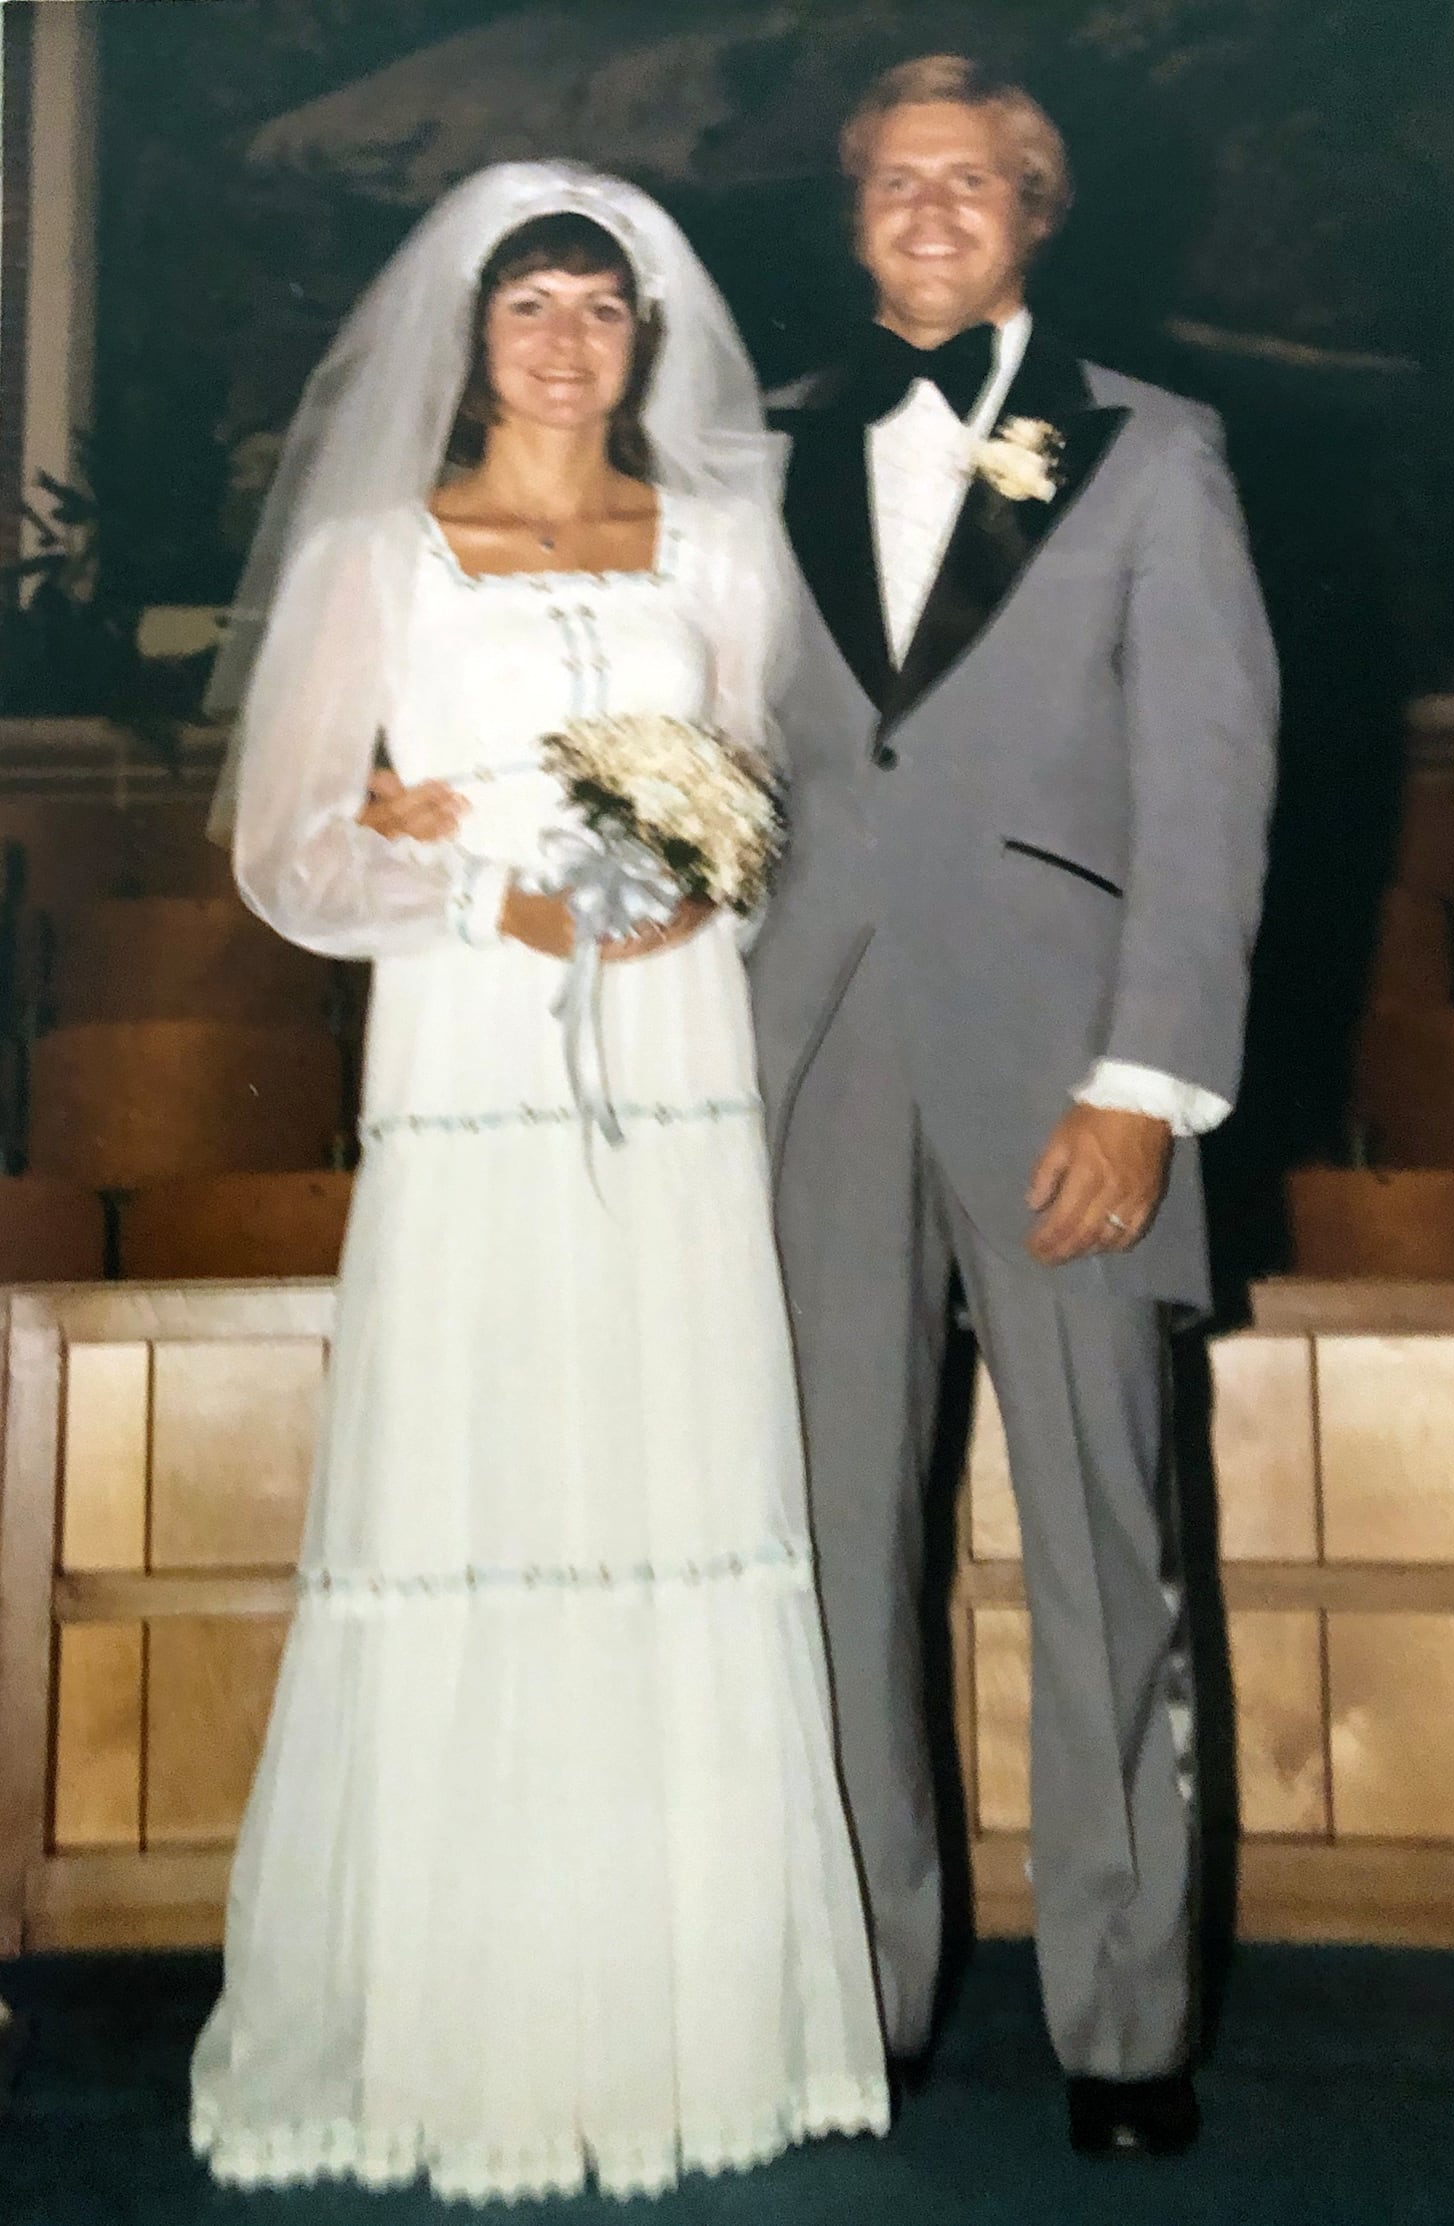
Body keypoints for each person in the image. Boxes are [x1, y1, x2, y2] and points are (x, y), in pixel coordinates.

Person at [190, 163, 888, 2202]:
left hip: (674, 1059)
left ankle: (681, 2018)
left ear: (643, 339)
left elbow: (774, 786)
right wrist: (471, 878)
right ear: (470, 339)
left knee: (671, 1467)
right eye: (529, 311)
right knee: (477, 1466)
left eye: (599, 309)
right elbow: (295, 843)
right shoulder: (371, 551)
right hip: (474, 1032)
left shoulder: (725, 540)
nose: (565, 342)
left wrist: (707, 879)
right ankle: (457, 2022)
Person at [751, 56, 1278, 2157]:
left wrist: (1146, 1085)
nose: (931, 208)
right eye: (896, 180)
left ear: (1035, 207)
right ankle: (855, 1991)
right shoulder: (754, 456)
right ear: (853, 210)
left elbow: (1208, 792)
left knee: (1103, 1550)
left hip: (1071, 1072)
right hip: (806, 1067)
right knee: (827, 1548)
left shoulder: (1156, 453)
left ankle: (1125, 2027)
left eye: (972, 179)